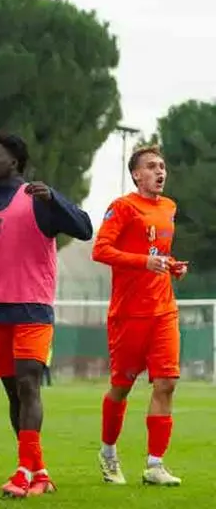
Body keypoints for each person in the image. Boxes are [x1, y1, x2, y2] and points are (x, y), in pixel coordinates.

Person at [0, 130, 93, 498]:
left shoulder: (36, 199)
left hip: (33, 306)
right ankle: (39, 472)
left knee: (29, 384)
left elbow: (84, 227)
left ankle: (23, 471)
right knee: (13, 393)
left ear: (13, 162)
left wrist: (56, 199)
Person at [91, 145, 186, 487]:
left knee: (167, 382)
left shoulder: (169, 207)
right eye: (151, 166)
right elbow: (100, 250)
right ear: (136, 174)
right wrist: (144, 262)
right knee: (121, 386)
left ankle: (155, 464)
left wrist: (171, 266)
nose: (159, 172)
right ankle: (107, 453)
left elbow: (158, 253)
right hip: (129, 314)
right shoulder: (123, 207)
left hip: (163, 310)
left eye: (162, 166)